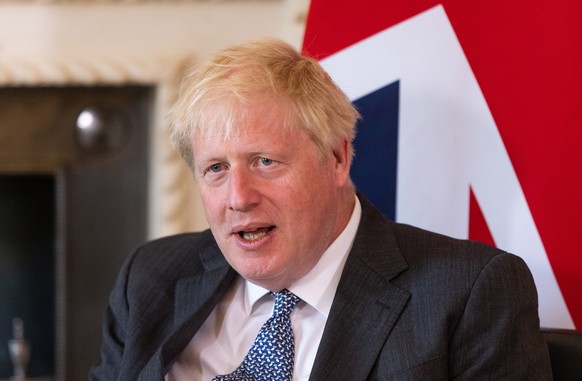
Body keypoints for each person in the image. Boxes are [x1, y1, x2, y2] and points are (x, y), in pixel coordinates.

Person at [89, 38, 552, 381]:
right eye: (215, 169)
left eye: (264, 162)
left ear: (337, 158)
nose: (238, 196)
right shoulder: (150, 278)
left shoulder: (469, 293)